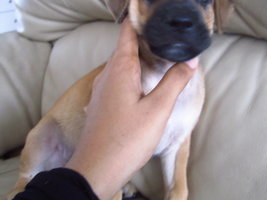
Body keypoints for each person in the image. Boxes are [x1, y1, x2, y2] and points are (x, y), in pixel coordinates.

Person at [13, 19, 198, 200]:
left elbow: (177, 141)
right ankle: (25, 178)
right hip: (62, 139)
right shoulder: (123, 76)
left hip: (70, 184)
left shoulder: (194, 90)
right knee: (42, 136)